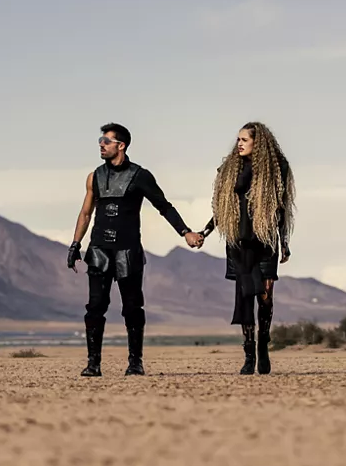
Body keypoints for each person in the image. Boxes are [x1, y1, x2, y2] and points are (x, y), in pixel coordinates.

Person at [67, 123, 203, 377]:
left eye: (106, 140)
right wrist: (76, 244)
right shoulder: (94, 176)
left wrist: (185, 232)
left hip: (127, 252)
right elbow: (86, 213)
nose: (101, 144)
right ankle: (93, 364)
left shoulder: (140, 176)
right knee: (95, 306)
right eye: (100, 140)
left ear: (121, 145)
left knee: (132, 308)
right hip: (98, 250)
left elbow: (164, 206)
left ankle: (135, 362)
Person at [192, 122, 295, 375]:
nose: (239, 143)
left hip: (265, 241)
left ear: (257, 143)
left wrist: (284, 242)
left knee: (266, 298)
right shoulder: (230, 169)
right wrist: (205, 231)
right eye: (238, 139)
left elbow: (280, 210)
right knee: (245, 295)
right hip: (239, 243)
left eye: (244, 140)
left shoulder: (276, 169)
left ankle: (263, 346)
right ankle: (248, 353)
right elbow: (222, 208)